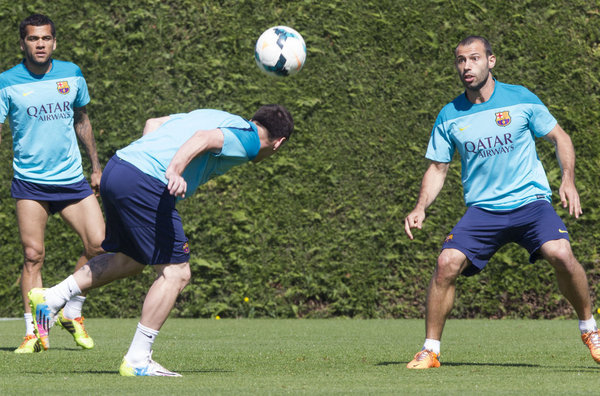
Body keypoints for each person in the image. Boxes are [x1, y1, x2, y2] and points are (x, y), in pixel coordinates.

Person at [28, 104, 293, 376]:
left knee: (131, 260)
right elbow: (203, 138)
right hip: (146, 181)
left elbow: (153, 122)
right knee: (177, 273)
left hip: (119, 168)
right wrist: (174, 170)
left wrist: (145, 160)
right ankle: (138, 359)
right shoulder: (249, 139)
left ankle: (51, 297)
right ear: (279, 143)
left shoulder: (222, 117)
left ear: (254, 118)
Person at [404, 36, 599, 369]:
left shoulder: (520, 98)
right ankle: (430, 350)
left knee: (562, 253)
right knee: (446, 263)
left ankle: (590, 330)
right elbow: (438, 167)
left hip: (530, 203)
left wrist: (568, 179)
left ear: (491, 61)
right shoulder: (450, 114)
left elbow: (560, 138)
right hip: (483, 210)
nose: (467, 66)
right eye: (461, 60)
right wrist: (420, 206)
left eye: (475, 58)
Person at [0, 14, 104, 353]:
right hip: (30, 183)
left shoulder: (72, 73)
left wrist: (96, 167)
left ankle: (71, 311)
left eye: (45, 38)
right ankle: (34, 332)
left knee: (100, 246)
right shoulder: (6, 82)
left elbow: (82, 120)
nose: (40, 44)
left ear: (54, 42)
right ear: (22, 43)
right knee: (33, 256)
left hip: (73, 180)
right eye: (33, 39)